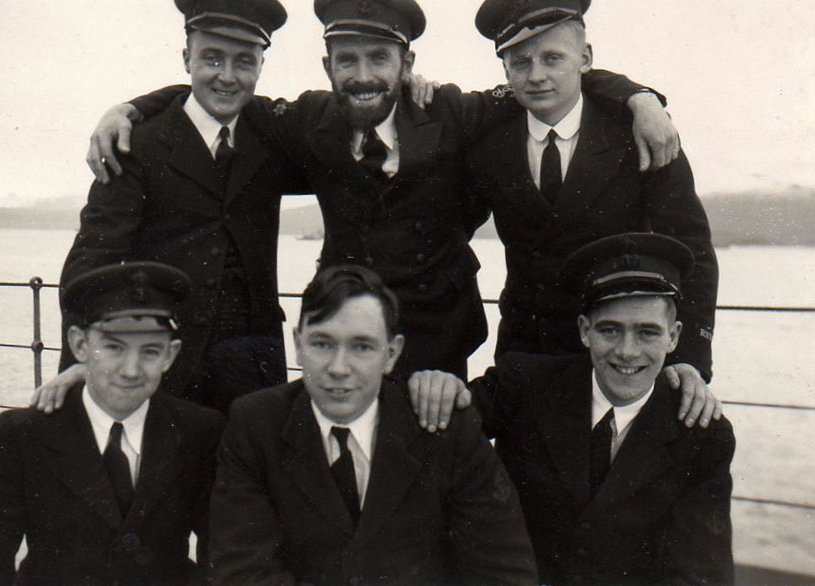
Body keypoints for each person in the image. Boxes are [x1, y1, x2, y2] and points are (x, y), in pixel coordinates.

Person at [77, 0, 681, 384]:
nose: (363, 75)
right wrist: (128, 107)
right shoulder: (306, 122)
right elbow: (217, 93)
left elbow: (544, 82)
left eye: (379, 58)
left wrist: (638, 96)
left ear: (406, 60)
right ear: (327, 66)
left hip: (438, 345)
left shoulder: (453, 112)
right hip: (344, 343)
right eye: (348, 59)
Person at [53, 0, 309, 414]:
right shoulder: (135, 143)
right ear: (186, 57)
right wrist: (85, 363)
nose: (227, 76)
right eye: (211, 58)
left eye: (244, 61)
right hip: (163, 369)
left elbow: (341, 120)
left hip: (251, 371)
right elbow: (91, 263)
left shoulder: (271, 133)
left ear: (261, 65)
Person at [208, 265, 538, 585]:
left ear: (391, 354)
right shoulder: (255, 424)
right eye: (322, 343)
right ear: (297, 344)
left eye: (362, 347)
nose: (339, 368)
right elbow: (242, 573)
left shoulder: (445, 428)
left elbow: (504, 573)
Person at [468, 0, 719, 404]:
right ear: (505, 69)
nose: (537, 76)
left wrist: (689, 357)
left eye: (553, 58)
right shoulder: (488, 140)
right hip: (527, 360)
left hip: (621, 361)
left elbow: (694, 251)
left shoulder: (638, 132)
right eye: (520, 62)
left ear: (585, 58)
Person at [465, 233, 734, 585]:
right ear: (584, 331)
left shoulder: (701, 434)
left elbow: (700, 573)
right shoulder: (525, 384)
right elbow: (433, 436)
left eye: (647, 333)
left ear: (674, 336)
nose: (627, 351)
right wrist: (437, 387)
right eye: (610, 330)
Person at [0, 262, 225, 586]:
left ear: (170, 356)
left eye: (150, 351)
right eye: (114, 347)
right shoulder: (22, 436)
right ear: (79, 345)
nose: (131, 370)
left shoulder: (199, 431)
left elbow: (222, 555)